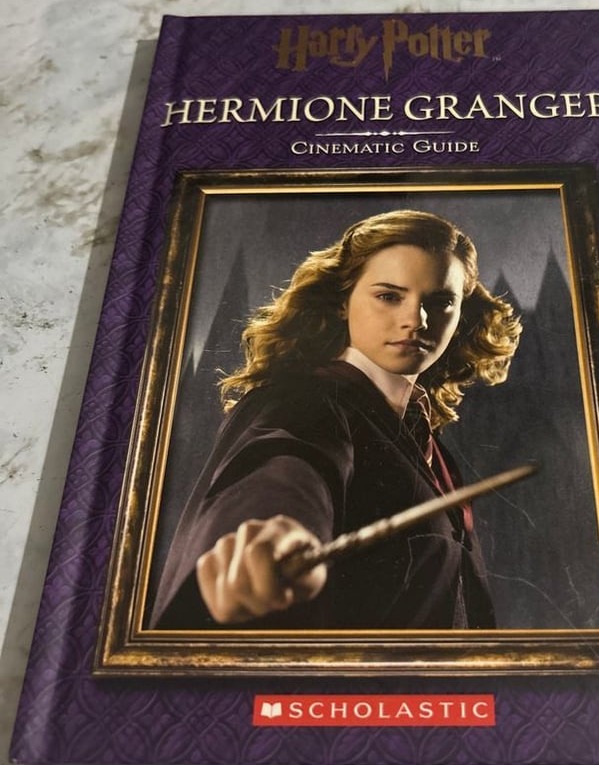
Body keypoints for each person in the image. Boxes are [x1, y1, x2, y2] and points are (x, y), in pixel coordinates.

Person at [150, 209, 521, 630]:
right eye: (389, 296)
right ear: (343, 302)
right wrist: (274, 532)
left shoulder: (428, 443)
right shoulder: (304, 401)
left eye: (440, 302)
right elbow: (285, 463)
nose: (416, 320)